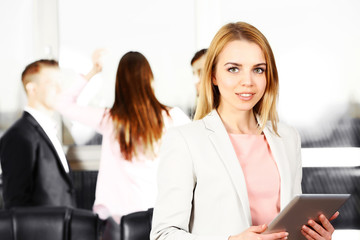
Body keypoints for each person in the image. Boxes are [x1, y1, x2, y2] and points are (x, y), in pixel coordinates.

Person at [151, 22, 338, 240]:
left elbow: (290, 226)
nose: (247, 82)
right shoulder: (185, 140)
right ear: (212, 76)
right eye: (233, 69)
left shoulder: (287, 138)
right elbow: (163, 234)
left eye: (258, 70)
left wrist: (314, 236)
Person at [56, 51, 190, 224]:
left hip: (114, 221)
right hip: (153, 217)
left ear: (119, 84)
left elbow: (62, 103)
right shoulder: (172, 117)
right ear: (150, 80)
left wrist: (92, 72)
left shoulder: (109, 119)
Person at [0, 59, 76, 209]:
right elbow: (16, 203)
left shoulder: (48, 130)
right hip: (42, 231)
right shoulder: (19, 136)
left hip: (62, 228)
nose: (60, 90)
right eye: (52, 83)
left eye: (60, 83)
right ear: (32, 89)